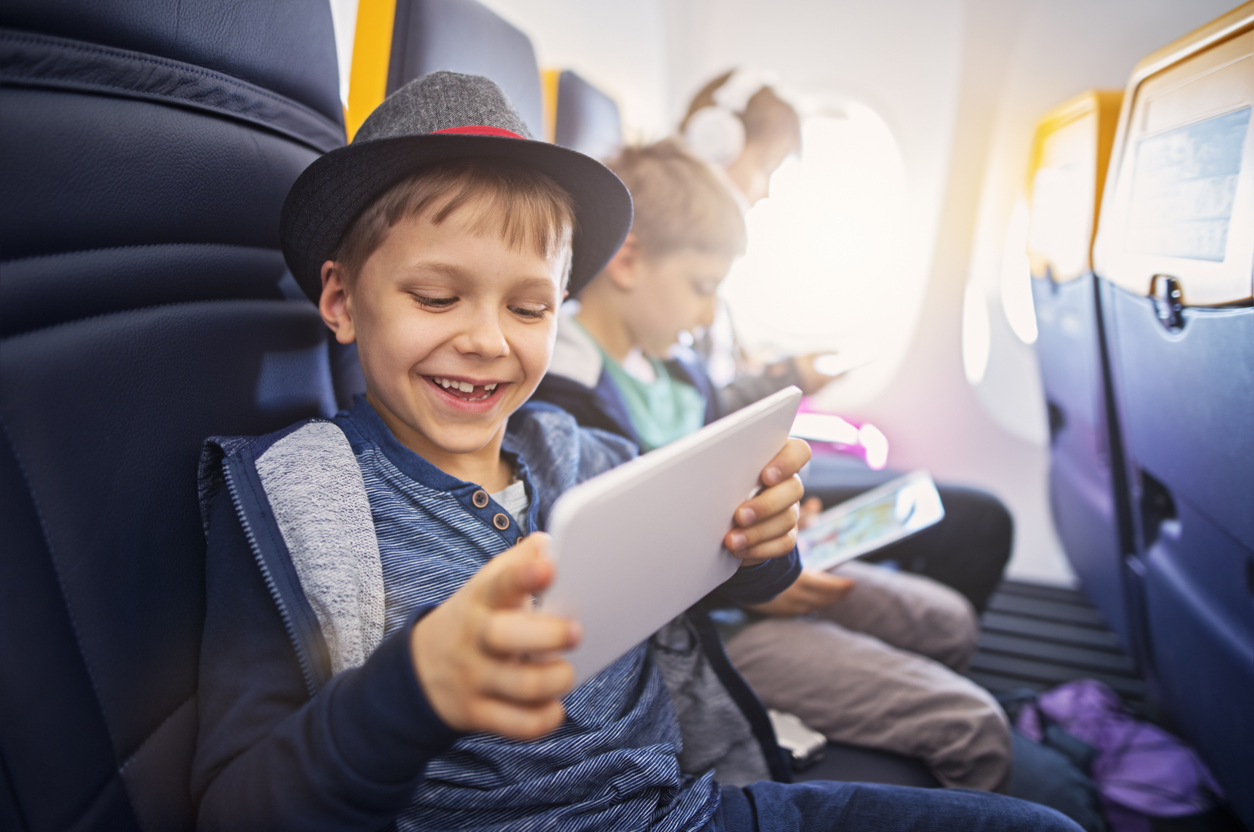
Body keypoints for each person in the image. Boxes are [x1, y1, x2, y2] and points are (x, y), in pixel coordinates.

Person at [192, 71, 1079, 832]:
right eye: (435, 295)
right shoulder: (292, 498)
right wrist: (411, 687)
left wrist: (760, 549)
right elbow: (234, 804)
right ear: (343, 302)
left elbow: (705, 588)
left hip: (694, 805)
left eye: (530, 308)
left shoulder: (582, 452)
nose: (487, 340)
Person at [535, 139, 1013, 791]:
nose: (709, 314)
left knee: (948, 621)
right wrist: (764, 574)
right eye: (702, 288)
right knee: (975, 726)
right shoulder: (566, 394)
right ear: (627, 258)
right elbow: (636, 566)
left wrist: (775, 513)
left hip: (749, 577)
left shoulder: (681, 372)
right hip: (709, 629)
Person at [681, 69, 1012, 615]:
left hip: (755, 460)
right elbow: (701, 409)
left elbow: (714, 376)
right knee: (979, 521)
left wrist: (777, 367)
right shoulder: (670, 267)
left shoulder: (708, 264)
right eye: (765, 167)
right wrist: (792, 378)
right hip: (736, 473)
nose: (764, 191)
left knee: (931, 500)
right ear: (714, 141)